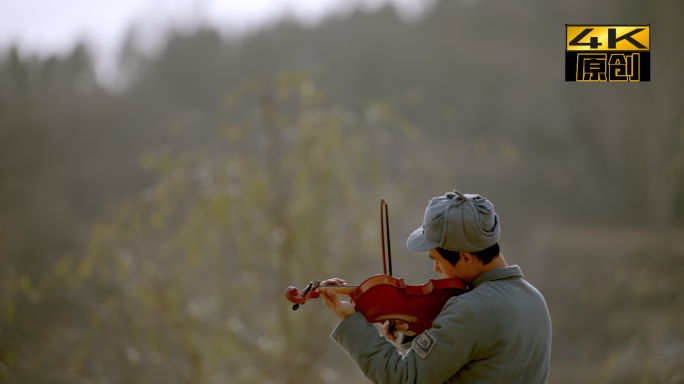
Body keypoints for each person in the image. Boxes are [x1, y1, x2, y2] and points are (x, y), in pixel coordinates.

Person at [320, 190, 552, 384]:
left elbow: (401, 378)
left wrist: (351, 323)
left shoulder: (469, 310)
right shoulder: (535, 299)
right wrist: (413, 332)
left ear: (465, 257)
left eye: (437, 260)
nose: (437, 270)